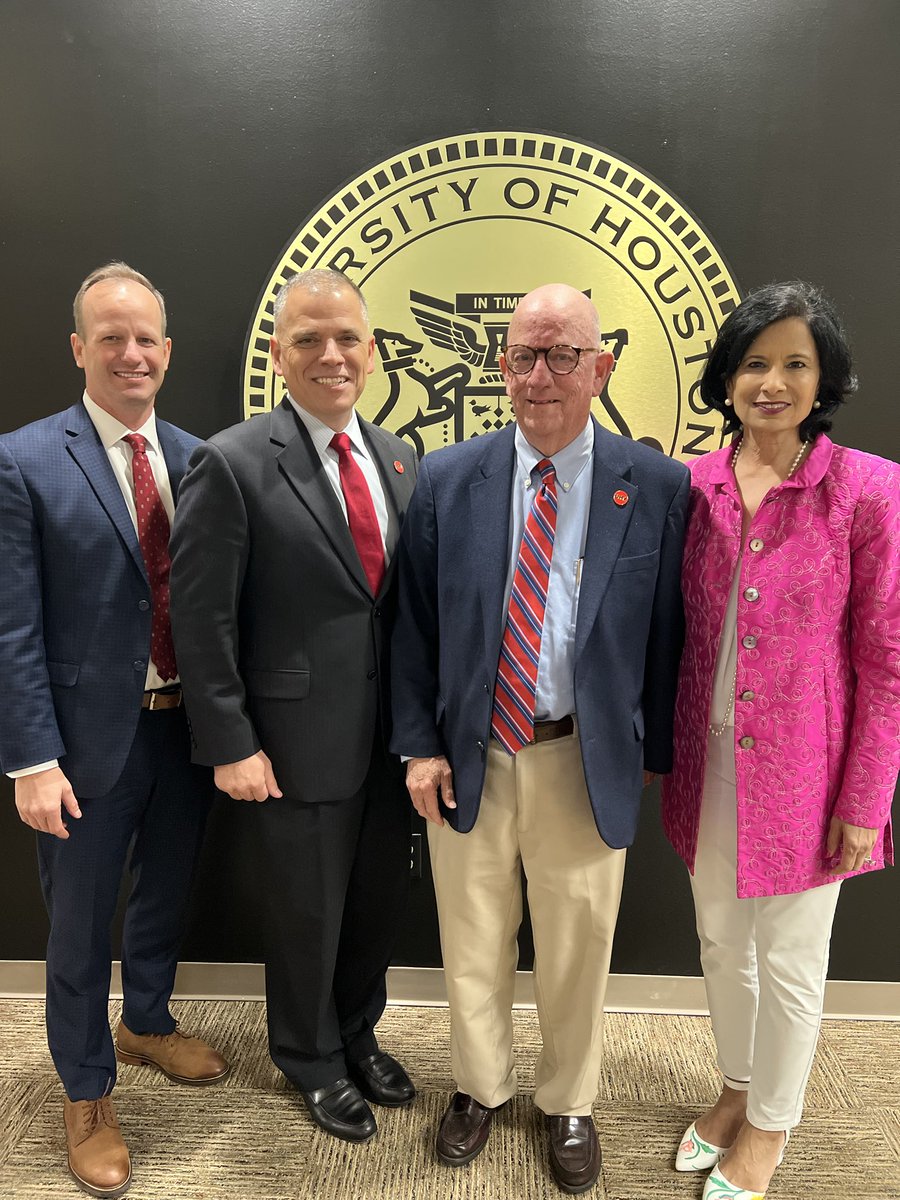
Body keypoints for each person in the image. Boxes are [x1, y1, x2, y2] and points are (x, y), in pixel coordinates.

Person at [390, 283, 689, 1194]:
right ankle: (479, 1088)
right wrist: (419, 743)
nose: (541, 376)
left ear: (603, 367)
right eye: (523, 355)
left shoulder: (658, 484)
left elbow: (669, 630)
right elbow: (413, 626)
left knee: (577, 943)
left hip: (581, 756)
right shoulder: (448, 477)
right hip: (470, 755)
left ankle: (569, 1101)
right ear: (501, 366)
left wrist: (650, 750)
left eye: (564, 355)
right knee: (471, 935)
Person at [661, 281, 900, 1200]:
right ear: (726, 379)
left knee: (794, 957)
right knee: (722, 940)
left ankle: (770, 1127)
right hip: (705, 759)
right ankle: (735, 1085)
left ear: (823, 378)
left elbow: (886, 661)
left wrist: (865, 802)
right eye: (755, 363)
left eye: (795, 363)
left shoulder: (866, 490)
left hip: (811, 773)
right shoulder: (693, 485)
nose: (773, 382)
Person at [169, 268, 418, 1145]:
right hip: (290, 743)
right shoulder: (231, 462)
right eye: (309, 338)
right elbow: (199, 620)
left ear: (373, 349)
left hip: (392, 744)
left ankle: (357, 1032)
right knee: (307, 913)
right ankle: (309, 1057)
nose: (331, 354)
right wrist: (231, 741)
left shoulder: (396, 457)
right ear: (279, 356)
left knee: (375, 903)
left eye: (347, 336)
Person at [0, 263, 228, 1199]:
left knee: (165, 893)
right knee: (80, 925)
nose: (130, 353)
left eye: (146, 340)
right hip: (83, 744)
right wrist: (31, 758)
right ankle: (85, 1088)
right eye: (111, 337)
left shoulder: (200, 456)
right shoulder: (22, 460)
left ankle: (145, 1020)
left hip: (183, 730)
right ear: (78, 349)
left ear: (167, 353)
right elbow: (10, 622)